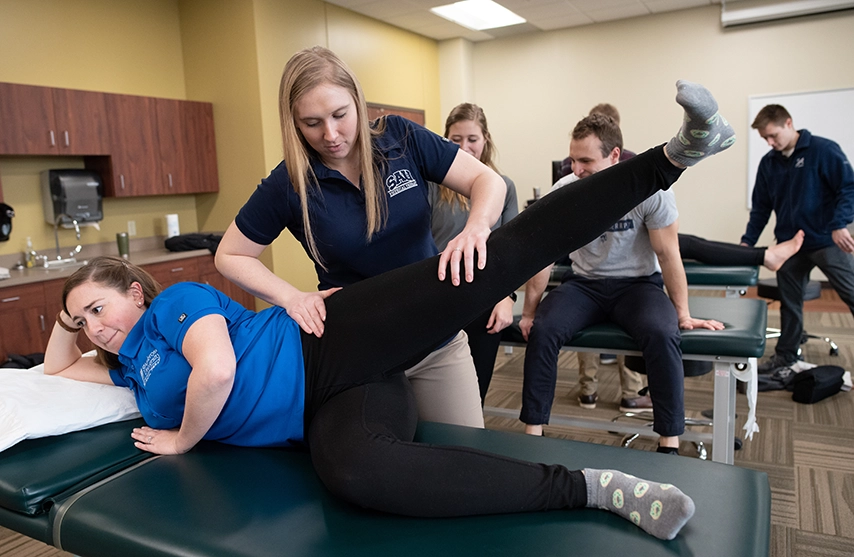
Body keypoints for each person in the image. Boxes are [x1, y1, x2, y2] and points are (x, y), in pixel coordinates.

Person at [43, 79, 735, 540]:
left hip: (334, 333)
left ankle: (671, 158)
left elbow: (218, 371)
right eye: (86, 321)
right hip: (329, 404)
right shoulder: (130, 370)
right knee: (357, 473)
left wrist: (183, 434)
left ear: (136, 290)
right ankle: (597, 485)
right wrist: (69, 313)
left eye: (100, 306)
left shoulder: (174, 309)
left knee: (498, 256)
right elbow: (53, 368)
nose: (97, 326)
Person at [214, 46, 511, 429]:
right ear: (293, 123)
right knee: (387, 470)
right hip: (360, 352)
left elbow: (486, 180)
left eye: (340, 115)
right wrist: (291, 297)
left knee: (466, 458)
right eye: (312, 122)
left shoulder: (400, 138)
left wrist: (476, 226)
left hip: (436, 338)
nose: (331, 134)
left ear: (357, 101)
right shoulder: (289, 183)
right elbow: (230, 255)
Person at [519, 110, 731, 454]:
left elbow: (668, 254)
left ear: (615, 155)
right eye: (572, 160)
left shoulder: (650, 192)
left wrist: (683, 313)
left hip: (637, 286)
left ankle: (669, 442)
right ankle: (533, 432)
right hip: (583, 284)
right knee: (544, 330)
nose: (576, 169)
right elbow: (543, 254)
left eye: (586, 161)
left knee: (663, 333)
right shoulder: (566, 191)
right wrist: (529, 312)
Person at [742, 104, 854, 373]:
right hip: (790, 246)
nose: (770, 143)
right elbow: (760, 208)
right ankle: (786, 356)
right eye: (764, 139)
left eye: (773, 136)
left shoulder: (823, 150)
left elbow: (848, 189)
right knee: (790, 305)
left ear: (788, 124)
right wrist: (747, 243)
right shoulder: (769, 163)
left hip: (827, 240)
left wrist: (840, 224)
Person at [428, 102, 519, 404]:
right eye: (455, 141)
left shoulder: (503, 187)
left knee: (472, 396)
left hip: (483, 297)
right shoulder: (431, 185)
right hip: (436, 293)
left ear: (486, 140)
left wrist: (506, 299)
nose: (464, 148)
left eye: (472, 140)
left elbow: (511, 250)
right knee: (432, 394)